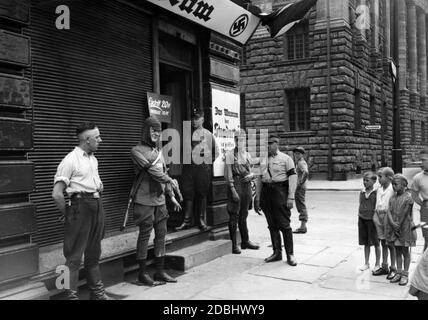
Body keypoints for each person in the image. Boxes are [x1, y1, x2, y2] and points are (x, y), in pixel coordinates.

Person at [52, 122, 110, 300]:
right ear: (87, 140)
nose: (100, 140)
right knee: (74, 257)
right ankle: (71, 297)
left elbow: (94, 183)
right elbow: (57, 194)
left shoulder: (93, 159)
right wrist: (68, 214)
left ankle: (98, 294)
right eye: (97, 137)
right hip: (80, 208)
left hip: (96, 207)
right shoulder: (70, 160)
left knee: (94, 253)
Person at [130, 117, 182, 286]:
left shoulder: (159, 152)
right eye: (153, 131)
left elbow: (163, 174)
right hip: (144, 200)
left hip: (160, 201)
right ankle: (142, 274)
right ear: (146, 131)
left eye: (158, 131)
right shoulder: (136, 151)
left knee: (161, 235)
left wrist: (171, 196)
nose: (156, 134)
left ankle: (159, 271)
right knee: (144, 236)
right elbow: (152, 171)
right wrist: (169, 180)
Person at [254, 135, 298, 266]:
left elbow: (293, 178)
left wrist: (291, 196)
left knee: (284, 224)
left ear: (276, 144)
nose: (267, 146)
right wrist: (257, 197)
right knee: (272, 224)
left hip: (280, 192)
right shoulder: (262, 160)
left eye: (270, 143)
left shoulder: (286, 159)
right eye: (266, 144)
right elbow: (259, 180)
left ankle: (290, 254)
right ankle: (276, 252)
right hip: (267, 193)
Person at [176, 109, 219, 231]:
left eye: (197, 118)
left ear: (202, 119)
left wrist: (207, 163)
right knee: (188, 192)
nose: (194, 121)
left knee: (202, 193)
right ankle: (187, 221)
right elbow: (181, 151)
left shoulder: (208, 135)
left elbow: (216, 152)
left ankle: (201, 220)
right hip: (189, 168)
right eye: (193, 119)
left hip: (202, 169)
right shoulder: (187, 134)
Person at [224, 130, 259, 254]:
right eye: (238, 139)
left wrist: (252, 176)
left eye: (243, 139)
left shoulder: (248, 155)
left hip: (246, 185)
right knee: (234, 215)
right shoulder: (230, 155)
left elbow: (254, 171)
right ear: (235, 141)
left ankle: (245, 241)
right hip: (236, 184)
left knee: (244, 215)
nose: (240, 142)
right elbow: (228, 175)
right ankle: (234, 245)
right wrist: (233, 190)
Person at [384, 174, 416, 286]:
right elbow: (388, 210)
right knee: (397, 250)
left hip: (405, 228)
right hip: (394, 227)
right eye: (392, 184)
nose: (393, 186)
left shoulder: (408, 198)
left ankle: (405, 274)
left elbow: (405, 213)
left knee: (405, 251)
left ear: (404, 185)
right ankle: (398, 271)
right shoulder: (393, 198)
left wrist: (398, 225)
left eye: (396, 184)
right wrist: (392, 223)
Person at [372, 167, 396, 278]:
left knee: (390, 243)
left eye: (380, 177)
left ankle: (393, 267)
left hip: (388, 216)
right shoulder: (379, 189)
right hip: (378, 215)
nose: (378, 179)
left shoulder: (392, 190)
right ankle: (384, 265)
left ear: (389, 178)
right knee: (382, 241)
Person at [357, 172, 380, 271]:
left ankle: (377, 263)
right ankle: (366, 263)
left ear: (374, 181)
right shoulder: (362, 192)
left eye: (367, 180)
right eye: (364, 180)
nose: (365, 182)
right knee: (366, 242)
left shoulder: (376, 192)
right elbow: (361, 203)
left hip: (372, 220)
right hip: (362, 219)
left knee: (375, 242)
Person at [409, 148, 428, 252]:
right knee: (427, 240)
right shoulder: (418, 178)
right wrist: (424, 205)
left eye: (423, 160)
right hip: (426, 211)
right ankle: (425, 266)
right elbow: (414, 194)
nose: (421, 163)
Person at [292, 147, 309, 234]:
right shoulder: (299, 162)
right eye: (295, 154)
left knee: (301, 205)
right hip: (300, 187)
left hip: (300, 188)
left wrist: (300, 183)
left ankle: (303, 227)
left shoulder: (301, 163)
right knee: (300, 204)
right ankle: (303, 226)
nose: (296, 155)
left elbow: (306, 172)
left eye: (298, 154)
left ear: (302, 154)